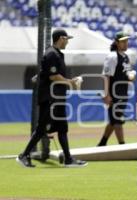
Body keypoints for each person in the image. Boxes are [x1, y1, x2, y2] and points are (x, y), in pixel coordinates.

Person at [16, 29, 87, 168]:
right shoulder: (52, 54)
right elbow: (53, 77)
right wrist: (71, 82)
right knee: (42, 128)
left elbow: (48, 74)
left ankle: (68, 159)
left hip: (57, 97)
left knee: (62, 128)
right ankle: (24, 155)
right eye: (66, 39)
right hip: (50, 97)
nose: (67, 41)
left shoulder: (57, 54)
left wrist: (68, 81)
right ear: (61, 38)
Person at [96, 32, 136, 146]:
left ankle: (102, 143)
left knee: (114, 120)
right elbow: (106, 76)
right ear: (117, 43)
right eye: (123, 41)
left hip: (123, 93)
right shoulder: (112, 56)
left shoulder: (125, 57)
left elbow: (126, 74)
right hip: (114, 93)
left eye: (126, 41)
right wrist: (106, 94)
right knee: (118, 120)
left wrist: (131, 76)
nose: (126, 43)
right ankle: (122, 145)